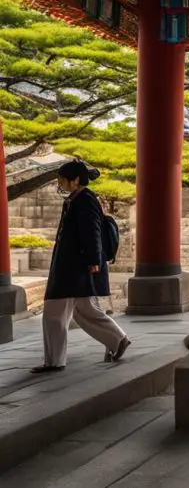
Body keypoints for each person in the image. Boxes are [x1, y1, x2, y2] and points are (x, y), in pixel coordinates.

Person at [31, 160, 130, 374]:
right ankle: (118, 340)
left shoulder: (85, 200)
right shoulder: (77, 199)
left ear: (75, 180)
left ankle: (54, 361)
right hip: (75, 265)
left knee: (54, 312)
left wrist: (93, 260)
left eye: (62, 179)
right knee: (85, 310)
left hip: (75, 266)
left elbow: (92, 231)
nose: (59, 182)